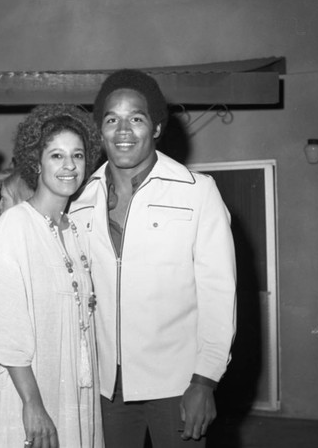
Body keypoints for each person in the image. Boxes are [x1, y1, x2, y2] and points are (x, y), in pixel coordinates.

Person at [69, 69, 237, 448]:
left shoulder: (197, 193)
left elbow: (218, 293)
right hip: (105, 389)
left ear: (157, 128)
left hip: (177, 386)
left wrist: (205, 380)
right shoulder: (80, 199)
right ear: (100, 131)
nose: (123, 130)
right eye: (112, 119)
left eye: (136, 118)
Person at [0, 105, 104, 448]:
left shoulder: (74, 229)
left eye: (77, 155)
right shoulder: (15, 226)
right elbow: (5, 325)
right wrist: (32, 404)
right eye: (56, 155)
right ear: (36, 162)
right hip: (27, 394)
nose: (69, 166)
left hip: (69, 387)